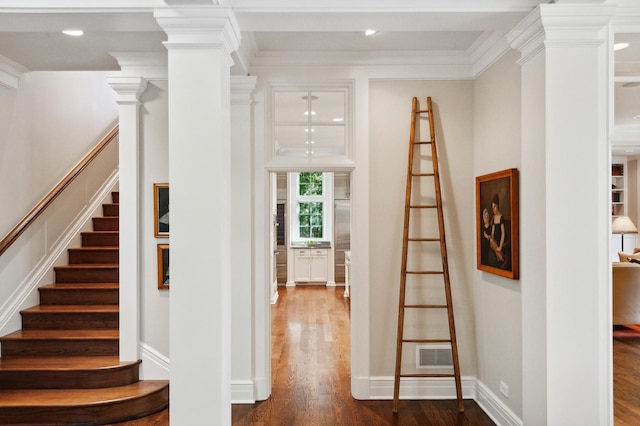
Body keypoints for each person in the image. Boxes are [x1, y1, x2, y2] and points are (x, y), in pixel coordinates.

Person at [489, 194, 506, 267]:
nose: (493, 209)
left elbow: (503, 233)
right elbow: (492, 231)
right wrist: (491, 240)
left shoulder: (501, 218)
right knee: (492, 240)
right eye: (492, 208)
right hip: (494, 242)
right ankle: (498, 256)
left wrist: (500, 247)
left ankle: (500, 256)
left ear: (498, 205)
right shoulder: (493, 218)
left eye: (494, 207)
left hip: (499, 242)